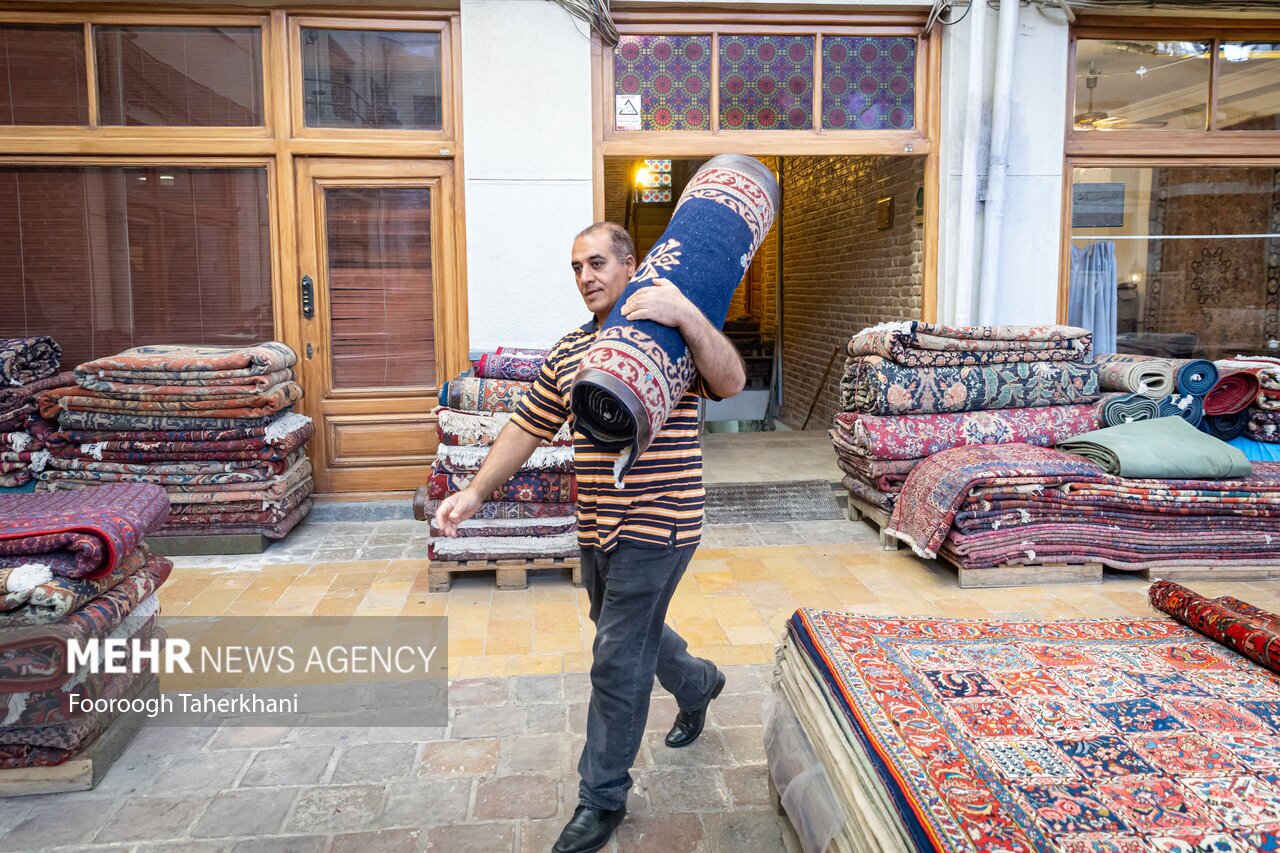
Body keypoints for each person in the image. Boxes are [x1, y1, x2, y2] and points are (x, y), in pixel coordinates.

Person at [434, 221, 747, 853]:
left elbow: (733, 382)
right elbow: (525, 427)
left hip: (662, 523)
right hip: (599, 526)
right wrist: (472, 491)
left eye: (598, 263)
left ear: (632, 265)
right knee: (624, 633)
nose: (586, 277)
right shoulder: (572, 350)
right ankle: (698, 682)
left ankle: (601, 798)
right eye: (576, 267)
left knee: (615, 656)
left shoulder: (670, 341)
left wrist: (687, 313)